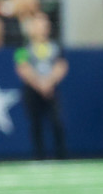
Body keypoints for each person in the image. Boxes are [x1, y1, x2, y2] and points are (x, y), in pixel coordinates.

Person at [14, 11, 68, 160]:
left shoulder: (55, 46)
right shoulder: (23, 47)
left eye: (45, 23)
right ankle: (39, 156)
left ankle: (61, 156)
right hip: (32, 90)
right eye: (39, 23)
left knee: (57, 122)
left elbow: (61, 65)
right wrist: (39, 84)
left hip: (51, 90)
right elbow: (22, 67)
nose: (43, 26)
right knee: (35, 123)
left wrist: (49, 82)